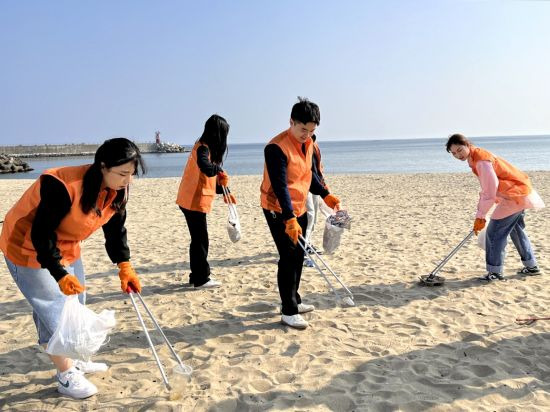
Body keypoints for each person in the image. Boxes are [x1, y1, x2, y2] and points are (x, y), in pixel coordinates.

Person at [0, 138, 145, 399]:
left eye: (132, 174)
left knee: (75, 304)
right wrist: (59, 273)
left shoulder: (119, 191)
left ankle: (74, 358)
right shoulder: (63, 186)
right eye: (123, 174)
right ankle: (66, 376)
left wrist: (124, 265)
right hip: (27, 245)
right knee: (56, 311)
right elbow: (41, 235)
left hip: (67, 245)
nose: (128, 180)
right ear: (103, 166)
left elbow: (115, 231)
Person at [261, 98, 341, 329]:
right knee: (288, 257)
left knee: (299, 255)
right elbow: (280, 186)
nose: (306, 134)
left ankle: (294, 298)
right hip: (278, 208)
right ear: (291, 122)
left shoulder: (308, 143)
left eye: (312, 130)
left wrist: (325, 194)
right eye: (302, 129)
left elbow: (309, 175)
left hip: (299, 206)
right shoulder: (276, 148)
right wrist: (289, 218)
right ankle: (288, 311)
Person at [446, 133, 544, 282]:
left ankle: (495, 273)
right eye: (453, 153)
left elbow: (489, 191)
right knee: (516, 230)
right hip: (519, 192)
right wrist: (483, 212)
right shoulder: (475, 157)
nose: (457, 155)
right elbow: (491, 188)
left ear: (467, 145)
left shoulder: (481, 161)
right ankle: (531, 267)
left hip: (514, 195)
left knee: (494, 233)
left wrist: (481, 216)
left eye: (460, 150)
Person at [176, 114, 235, 288]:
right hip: (193, 201)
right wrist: (219, 170)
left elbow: (210, 176)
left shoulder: (204, 147)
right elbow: (207, 169)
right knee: (201, 240)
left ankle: (196, 276)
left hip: (189, 199)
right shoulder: (202, 149)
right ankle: (202, 278)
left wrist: (225, 190)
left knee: (198, 239)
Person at [303, 134, 329, 267]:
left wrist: (323, 185)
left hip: (316, 183)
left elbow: (317, 166)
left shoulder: (314, 142)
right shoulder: (300, 142)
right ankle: (303, 248)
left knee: (315, 215)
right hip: (304, 184)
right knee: (309, 214)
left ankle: (308, 243)